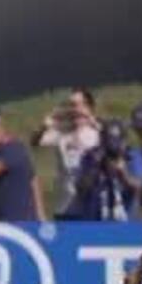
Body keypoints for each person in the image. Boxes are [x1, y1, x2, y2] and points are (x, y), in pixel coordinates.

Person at [38, 88, 101, 217]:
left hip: (89, 207)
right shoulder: (62, 133)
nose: (76, 109)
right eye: (72, 105)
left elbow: (112, 144)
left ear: (89, 107)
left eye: (80, 104)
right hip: (64, 207)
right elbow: (36, 141)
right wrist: (45, 125)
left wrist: (92, 121)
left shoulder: (97, 134)